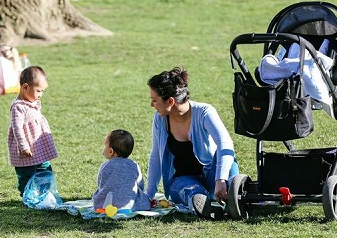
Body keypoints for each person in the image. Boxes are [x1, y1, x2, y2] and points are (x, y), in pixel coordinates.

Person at [146, 67, 239, 220]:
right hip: (183, 180)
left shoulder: (204, 112)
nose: (151, 104)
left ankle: (231, 197)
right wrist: (148, 195)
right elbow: (155, 156)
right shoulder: (160, 119)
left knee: (226, 158)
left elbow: (225, 143)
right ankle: (202, 204)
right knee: (192, 192)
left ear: (170, 101)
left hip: (213, 176)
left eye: (154, 100)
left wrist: (220, 178)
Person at [8, 66, 58, 197]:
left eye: (42, 91)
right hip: (27, 150)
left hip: (39, 147)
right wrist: (24, 147)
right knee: (27, 174)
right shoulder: (18, 107)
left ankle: (46, 194)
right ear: (25, 87)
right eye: (38, 91)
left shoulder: (32, 102)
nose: (40, 95)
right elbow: (17, 128)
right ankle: (27, 196)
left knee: (45, 170)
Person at [92, 130, 151, 212]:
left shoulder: (105, 166)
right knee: (140, 196)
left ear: (110, 151)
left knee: (100, 195)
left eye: (104, 146)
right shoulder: (134, 165)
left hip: (107, 205)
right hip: (130, 204)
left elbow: (101, 184)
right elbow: (140, 184)